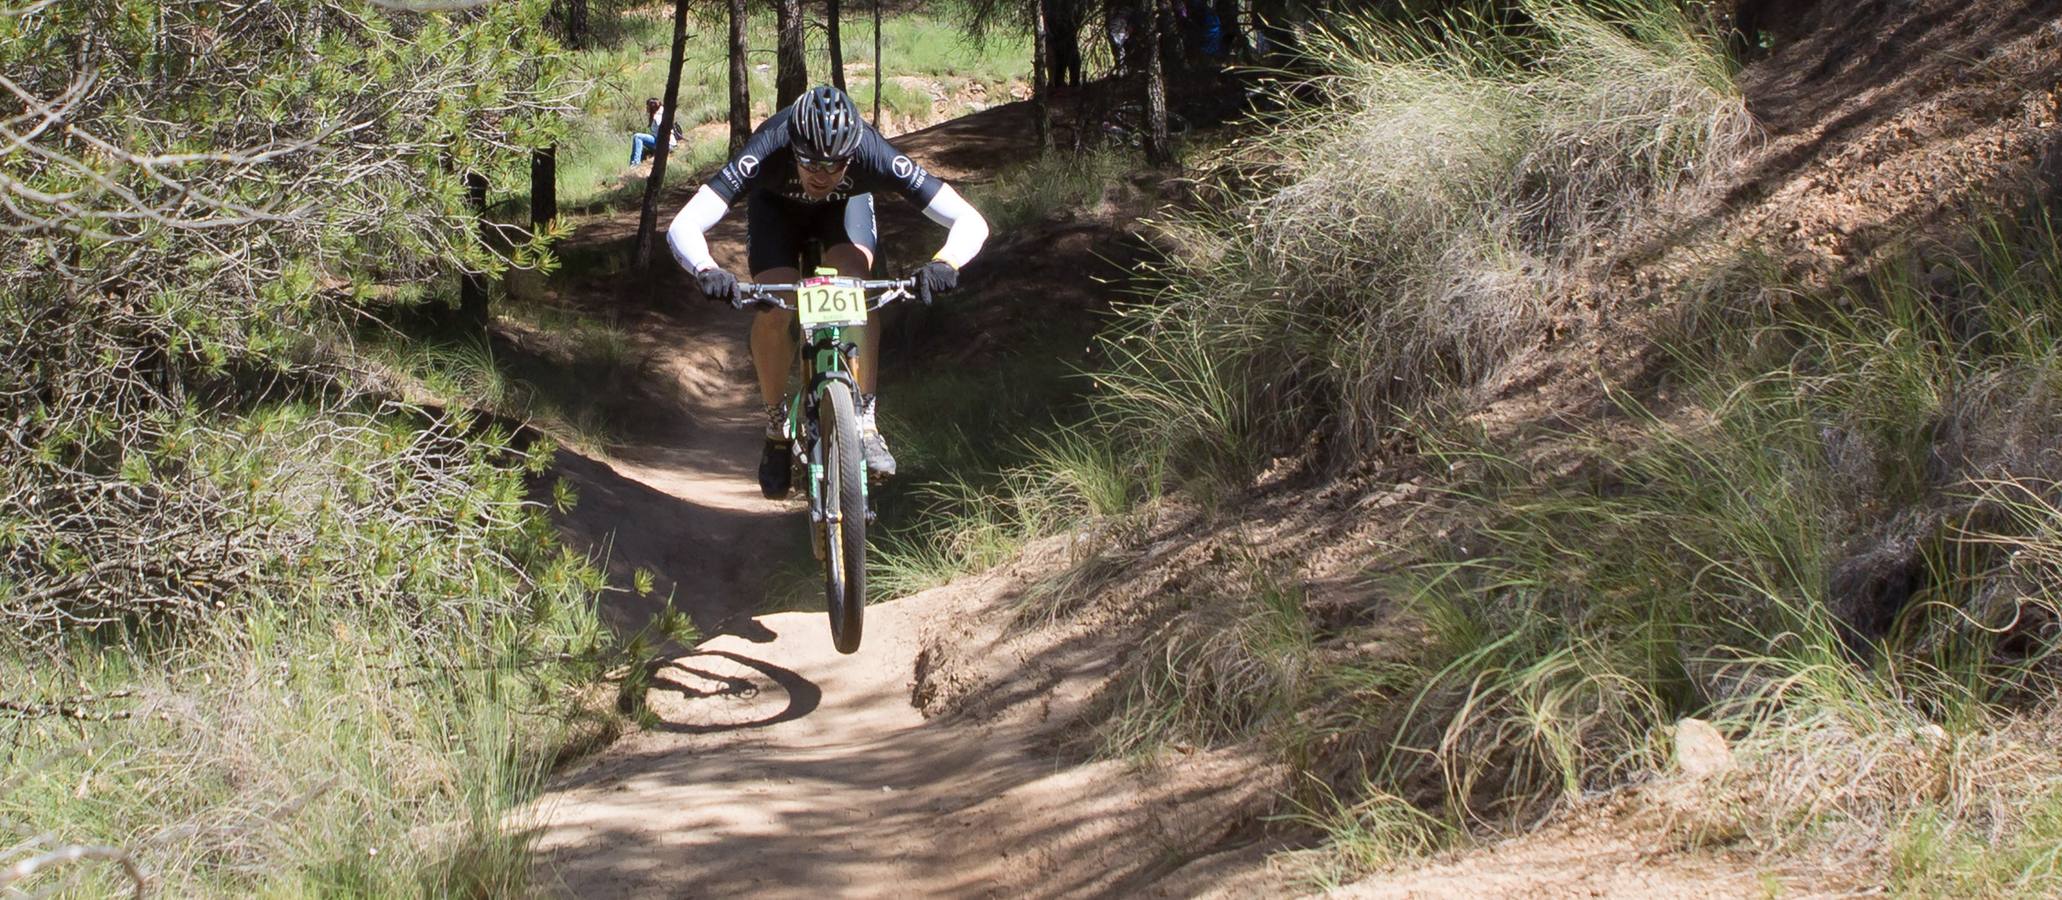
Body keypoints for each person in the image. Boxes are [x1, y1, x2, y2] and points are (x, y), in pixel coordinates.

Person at [666, 86, 990, 499]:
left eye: (837, 164)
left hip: (843, 214)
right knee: (774, 307)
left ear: (853, 152)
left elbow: (970, 220)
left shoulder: (873, 152)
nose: (823, 175)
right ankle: (776, 425)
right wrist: (707, 268)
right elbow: (684, 225)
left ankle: (867, 423)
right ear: (793, 148)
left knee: (856, 288)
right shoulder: (766, 148)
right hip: (776, 213)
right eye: (811, 163)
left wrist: (946, 261)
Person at [630, 97, 685, 166]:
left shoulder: (658, 117)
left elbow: (664, 131)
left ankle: (635, 163)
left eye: (647, 106)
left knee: (637, 136)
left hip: (666, 145)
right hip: (669, 144)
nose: (646, 108)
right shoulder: (663, 113)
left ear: (651, 107)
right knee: (642, 143)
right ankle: (637, 161)